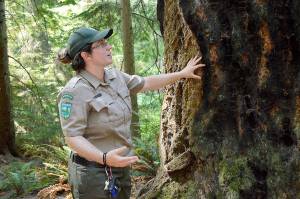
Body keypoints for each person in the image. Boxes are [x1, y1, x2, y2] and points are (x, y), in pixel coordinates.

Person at [57, 27, 205, 199]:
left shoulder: (115, 77)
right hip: (92, 173)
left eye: (106, 42)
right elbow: (72, 137)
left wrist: (182, 74)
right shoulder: (75, 91)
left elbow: (147, 83)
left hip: (120, 168)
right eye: (101, 44)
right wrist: (104, 158)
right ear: (86, 55)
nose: (109, 46)